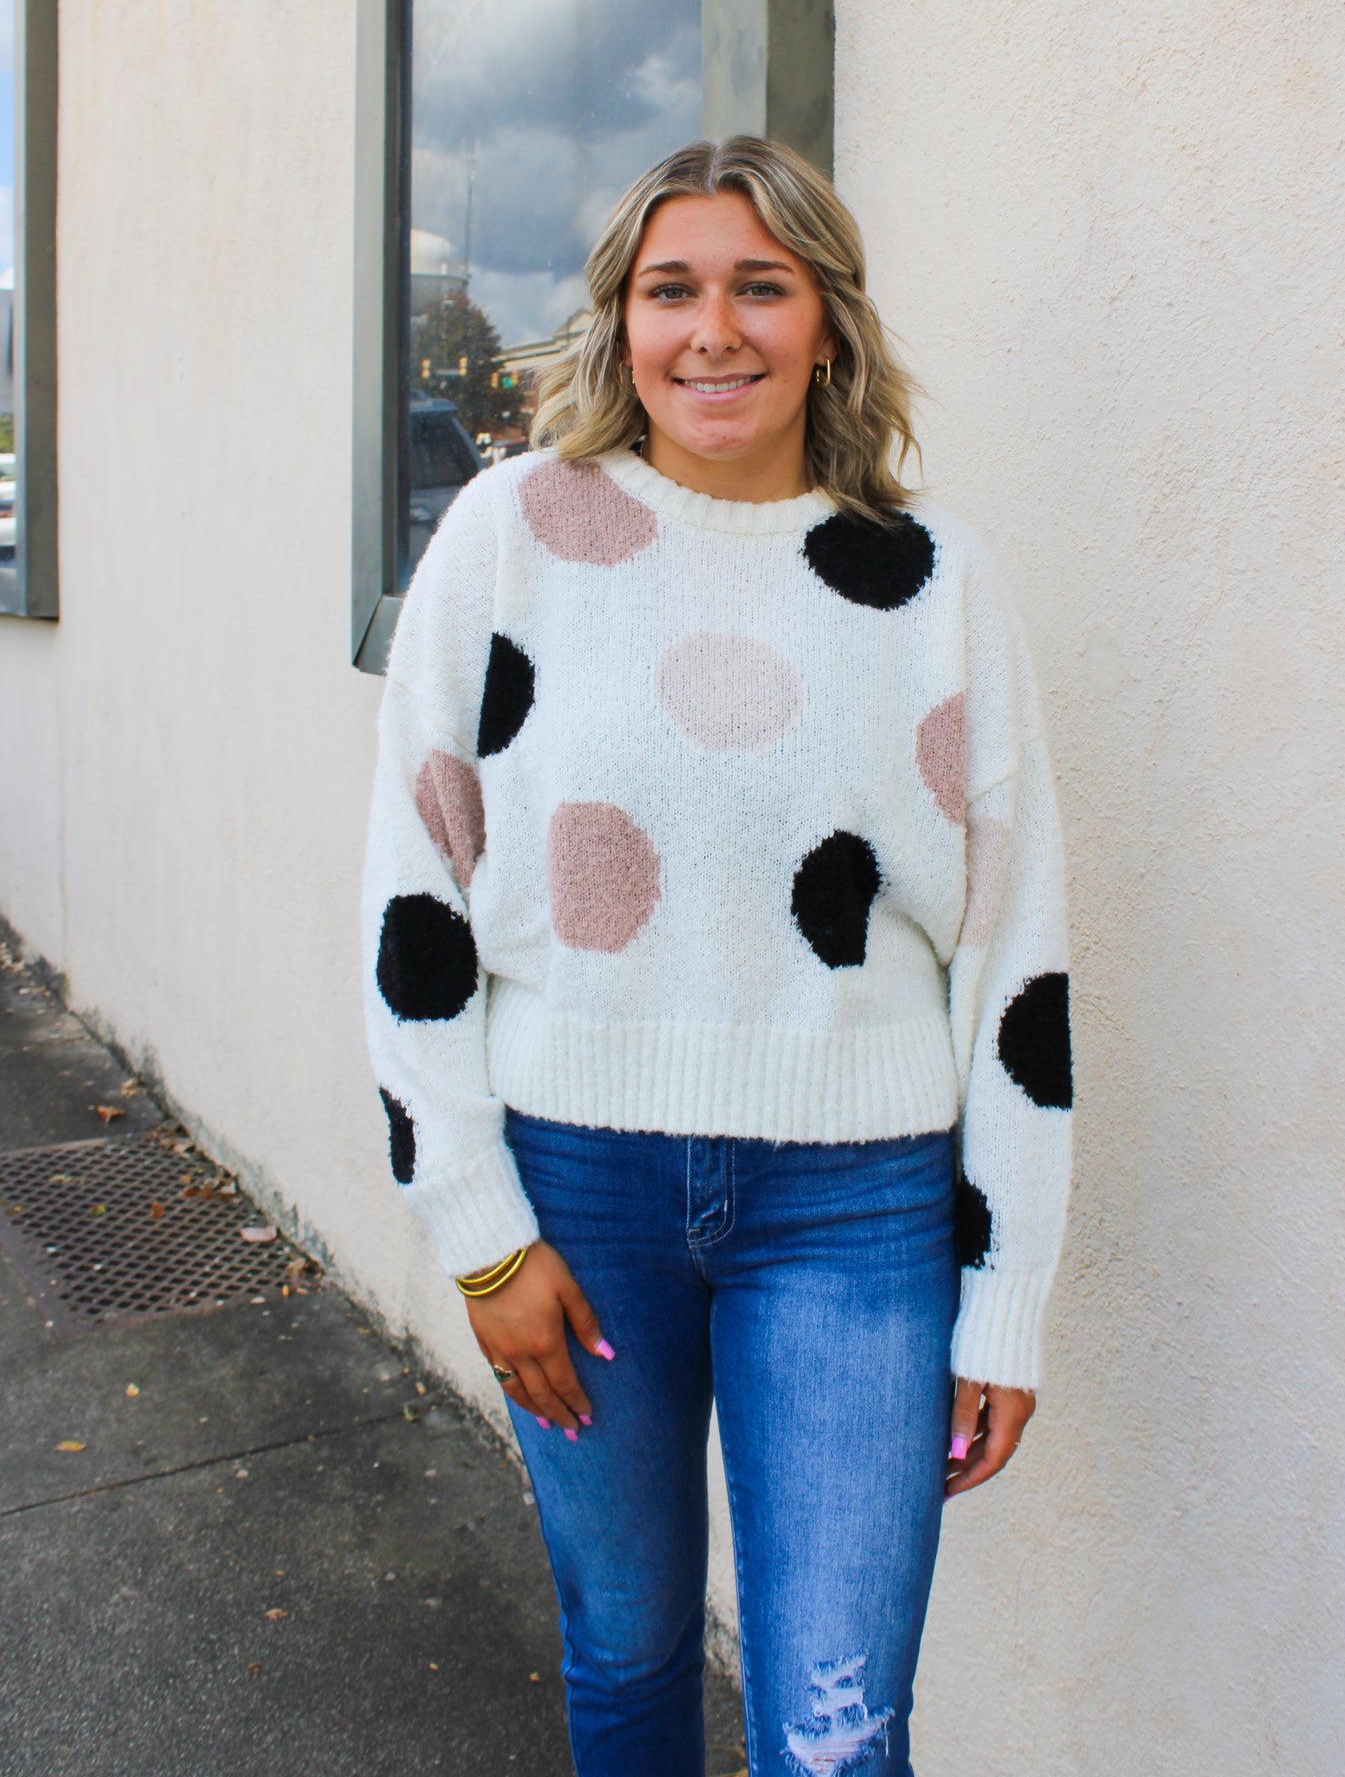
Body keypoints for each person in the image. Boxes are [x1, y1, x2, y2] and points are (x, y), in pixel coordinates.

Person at [362, 137, 1072, 1776]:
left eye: (762, 285)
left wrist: (1005, 1296)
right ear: (618, 322)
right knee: (623, 1659)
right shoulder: (509, 535)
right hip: (576, 1195)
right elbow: (416, 905)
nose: (713, 331)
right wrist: (476, 1231)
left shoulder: (935, 583)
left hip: (860, 1209)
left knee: (835, 1726)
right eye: (670, 289)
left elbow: (1015, 961)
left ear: (826, 319)